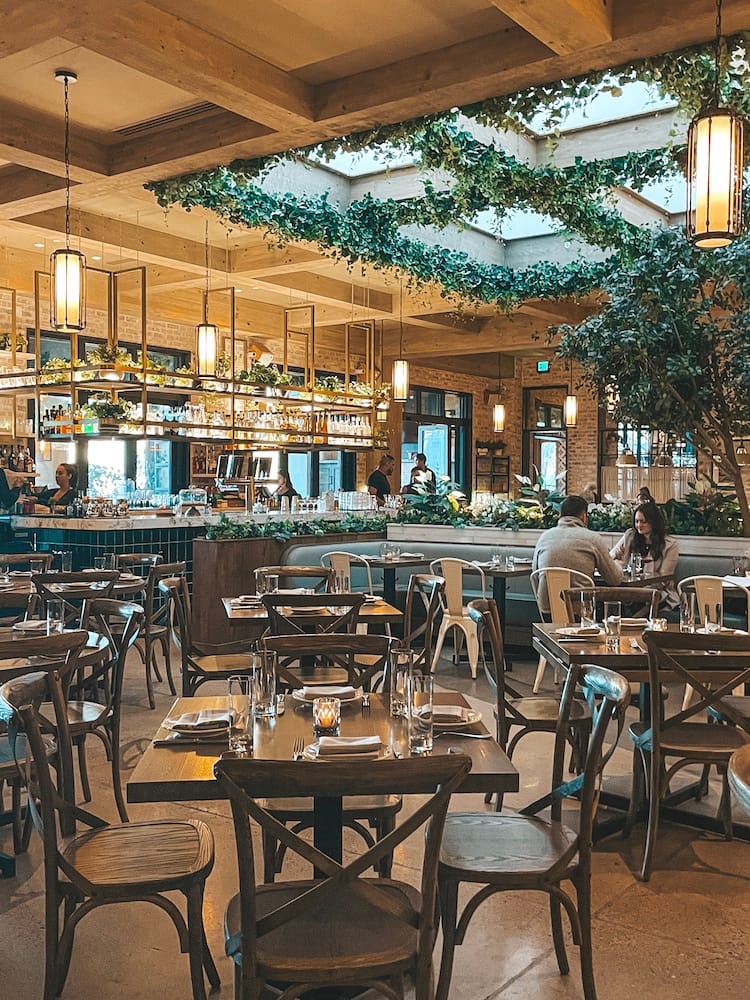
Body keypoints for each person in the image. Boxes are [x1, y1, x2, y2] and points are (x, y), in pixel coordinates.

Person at [532, 494, 623, 610]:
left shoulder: (544, 537)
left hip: (547, 610)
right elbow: (614, 579)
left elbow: (535, 574)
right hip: (579, 611)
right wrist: (619, 565)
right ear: (584, 517)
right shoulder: (592, 539)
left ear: (560, 515)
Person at [611, 501, 679, 609]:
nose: (639, 525)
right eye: (636, 521)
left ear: (653, 522)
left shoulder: (670, 545)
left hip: (659, 594)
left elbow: (663, 578)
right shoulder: (630, 536)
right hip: (630, 592)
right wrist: (618, 555)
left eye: (643, 522)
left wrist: (640, 590)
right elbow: (611, 557)